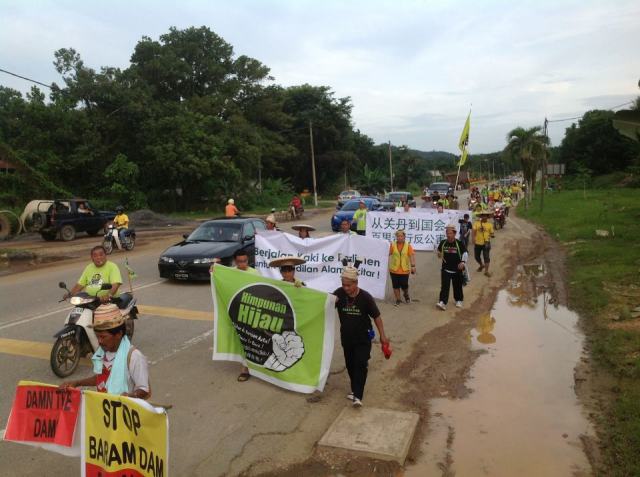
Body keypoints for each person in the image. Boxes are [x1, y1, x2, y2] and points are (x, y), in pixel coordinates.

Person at [61, 303, 150, 399]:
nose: (99, 341)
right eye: (97, 336)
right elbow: (102, 378)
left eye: (103, 337)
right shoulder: (103, 352)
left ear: (118, 334)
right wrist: (77, 383)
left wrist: (128, 397)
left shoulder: (134, 356)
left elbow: (144, 390)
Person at [333, 265, 389, 408]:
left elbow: (377, 317)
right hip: (347, 338)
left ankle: (358, 396)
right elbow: (325, 302)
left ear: (356, 283)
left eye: (348, 285)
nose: (345, 288)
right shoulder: (339, 294)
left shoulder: (366, 297)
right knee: (350, 365)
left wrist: (383, 336)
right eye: (343, 285)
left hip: (363, 338)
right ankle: (355, 389)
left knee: (360, 364)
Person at [232, 249, 260, 382]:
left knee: (249, 339)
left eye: (245, 261)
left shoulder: (255, 273)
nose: (242, 264)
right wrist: (213, 269)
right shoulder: (230, 273)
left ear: (248, 260)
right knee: (241, 339)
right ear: (235, 261)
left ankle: (247, 368)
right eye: (239, 261)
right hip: (236, 312)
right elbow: (217, 277)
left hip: (251, 312)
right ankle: (247, 366)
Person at [436, 224, 468, 310]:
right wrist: (439, 254)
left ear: (454, 233)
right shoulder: (443, 243)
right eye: (447, 233)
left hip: (457, 269)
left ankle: (459, 300)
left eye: (450, 233)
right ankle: (442, 302)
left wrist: (463, 262)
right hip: (445, 269)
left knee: (457, 286)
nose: (448, 235)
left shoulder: (459, 243)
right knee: (444, 287)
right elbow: (439, 252)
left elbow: (465, 253)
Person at [388, 230, 416, 306]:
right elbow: (387, 253)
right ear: (396, 237)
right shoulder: (392, 245)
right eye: (398, 236)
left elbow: (411, 256)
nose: (399, 237)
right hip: (394, 269)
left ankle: (406, 294)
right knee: (395, 285)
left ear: (404, 237)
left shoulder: (408, 246)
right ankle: (398, 299)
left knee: (404, 285)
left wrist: (413, 266)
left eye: (401, 236)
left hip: (404, 270)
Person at [471, 211, 494, 277]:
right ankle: (481, 265)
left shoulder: (490, 224)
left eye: (485, 215)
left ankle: (486, 271)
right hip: (477, 243)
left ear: (487, 217)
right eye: (483, 215)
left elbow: (492, 233)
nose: (484, 217)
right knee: (476, 257)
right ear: (481, 216)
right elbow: (473, 231)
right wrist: (473, 238)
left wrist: (491, 235)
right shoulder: (476, 223)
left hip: (486, 243)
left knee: (486, 257)